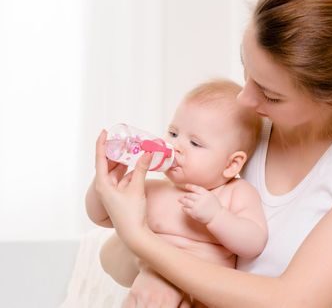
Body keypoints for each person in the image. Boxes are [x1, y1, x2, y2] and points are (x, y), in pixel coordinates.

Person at [89, 0, 332, 308]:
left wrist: (141, 241)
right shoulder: (245, 131)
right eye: (245, 70)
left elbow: (291, 301)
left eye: (270, 93)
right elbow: (114, 257)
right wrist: (154, 265)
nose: (244, 99)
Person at [86, 79, 267, 307]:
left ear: (232, 164)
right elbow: (101, 216)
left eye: (194, 142)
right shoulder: (151, 188)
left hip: (201, 295)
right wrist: (104, 182)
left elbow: (254, 242)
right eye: (173, 133)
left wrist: (217, 216)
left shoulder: (234, 193)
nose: (176, 146)